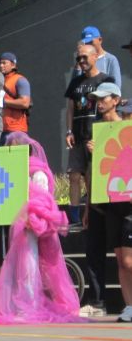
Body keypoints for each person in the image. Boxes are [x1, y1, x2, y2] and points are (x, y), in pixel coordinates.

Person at [0, 132, 81, 324]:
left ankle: (29, 304)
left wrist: (32, 217)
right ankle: (14, 304)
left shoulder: (37, 172)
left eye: (14, 147)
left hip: (29, 226)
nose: (10, 151)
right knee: (11, 265)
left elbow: (43, 200)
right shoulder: (5, 170)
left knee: (28, 264)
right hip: (8, 225)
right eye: (8, 148)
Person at [84, 82, 132, 322]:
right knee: (121, 261)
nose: (99, 102)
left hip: (129, 203)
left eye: (104, 98)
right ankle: (129, 306)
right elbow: (94, 172)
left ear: (116, 100)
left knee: (129, 260)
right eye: (97, 98)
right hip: (108, 203)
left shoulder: (127, 128)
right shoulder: (97, 131)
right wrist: (88, 206)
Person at [64, 43, 113, 227]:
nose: (81, 61)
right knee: (74, 175)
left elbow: (111, 105)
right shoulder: (75, 82)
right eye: (79, 58)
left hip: (96, 136)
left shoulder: (105, 80)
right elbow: (70, 108)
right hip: (77, 135)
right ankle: (74, 217)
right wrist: (68, 130)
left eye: (84, 57)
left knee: (93, 177)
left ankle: (94, 215)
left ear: (95, 57)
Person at [0, 52, 31, 143]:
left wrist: (3, 101)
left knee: (14, 157)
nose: (1, 65)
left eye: (4, 63)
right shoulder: (0, 81)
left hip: (16, 130)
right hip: (2, 129)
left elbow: (25, 103)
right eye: (0, 63)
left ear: (13, 65)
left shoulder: (20, 80)